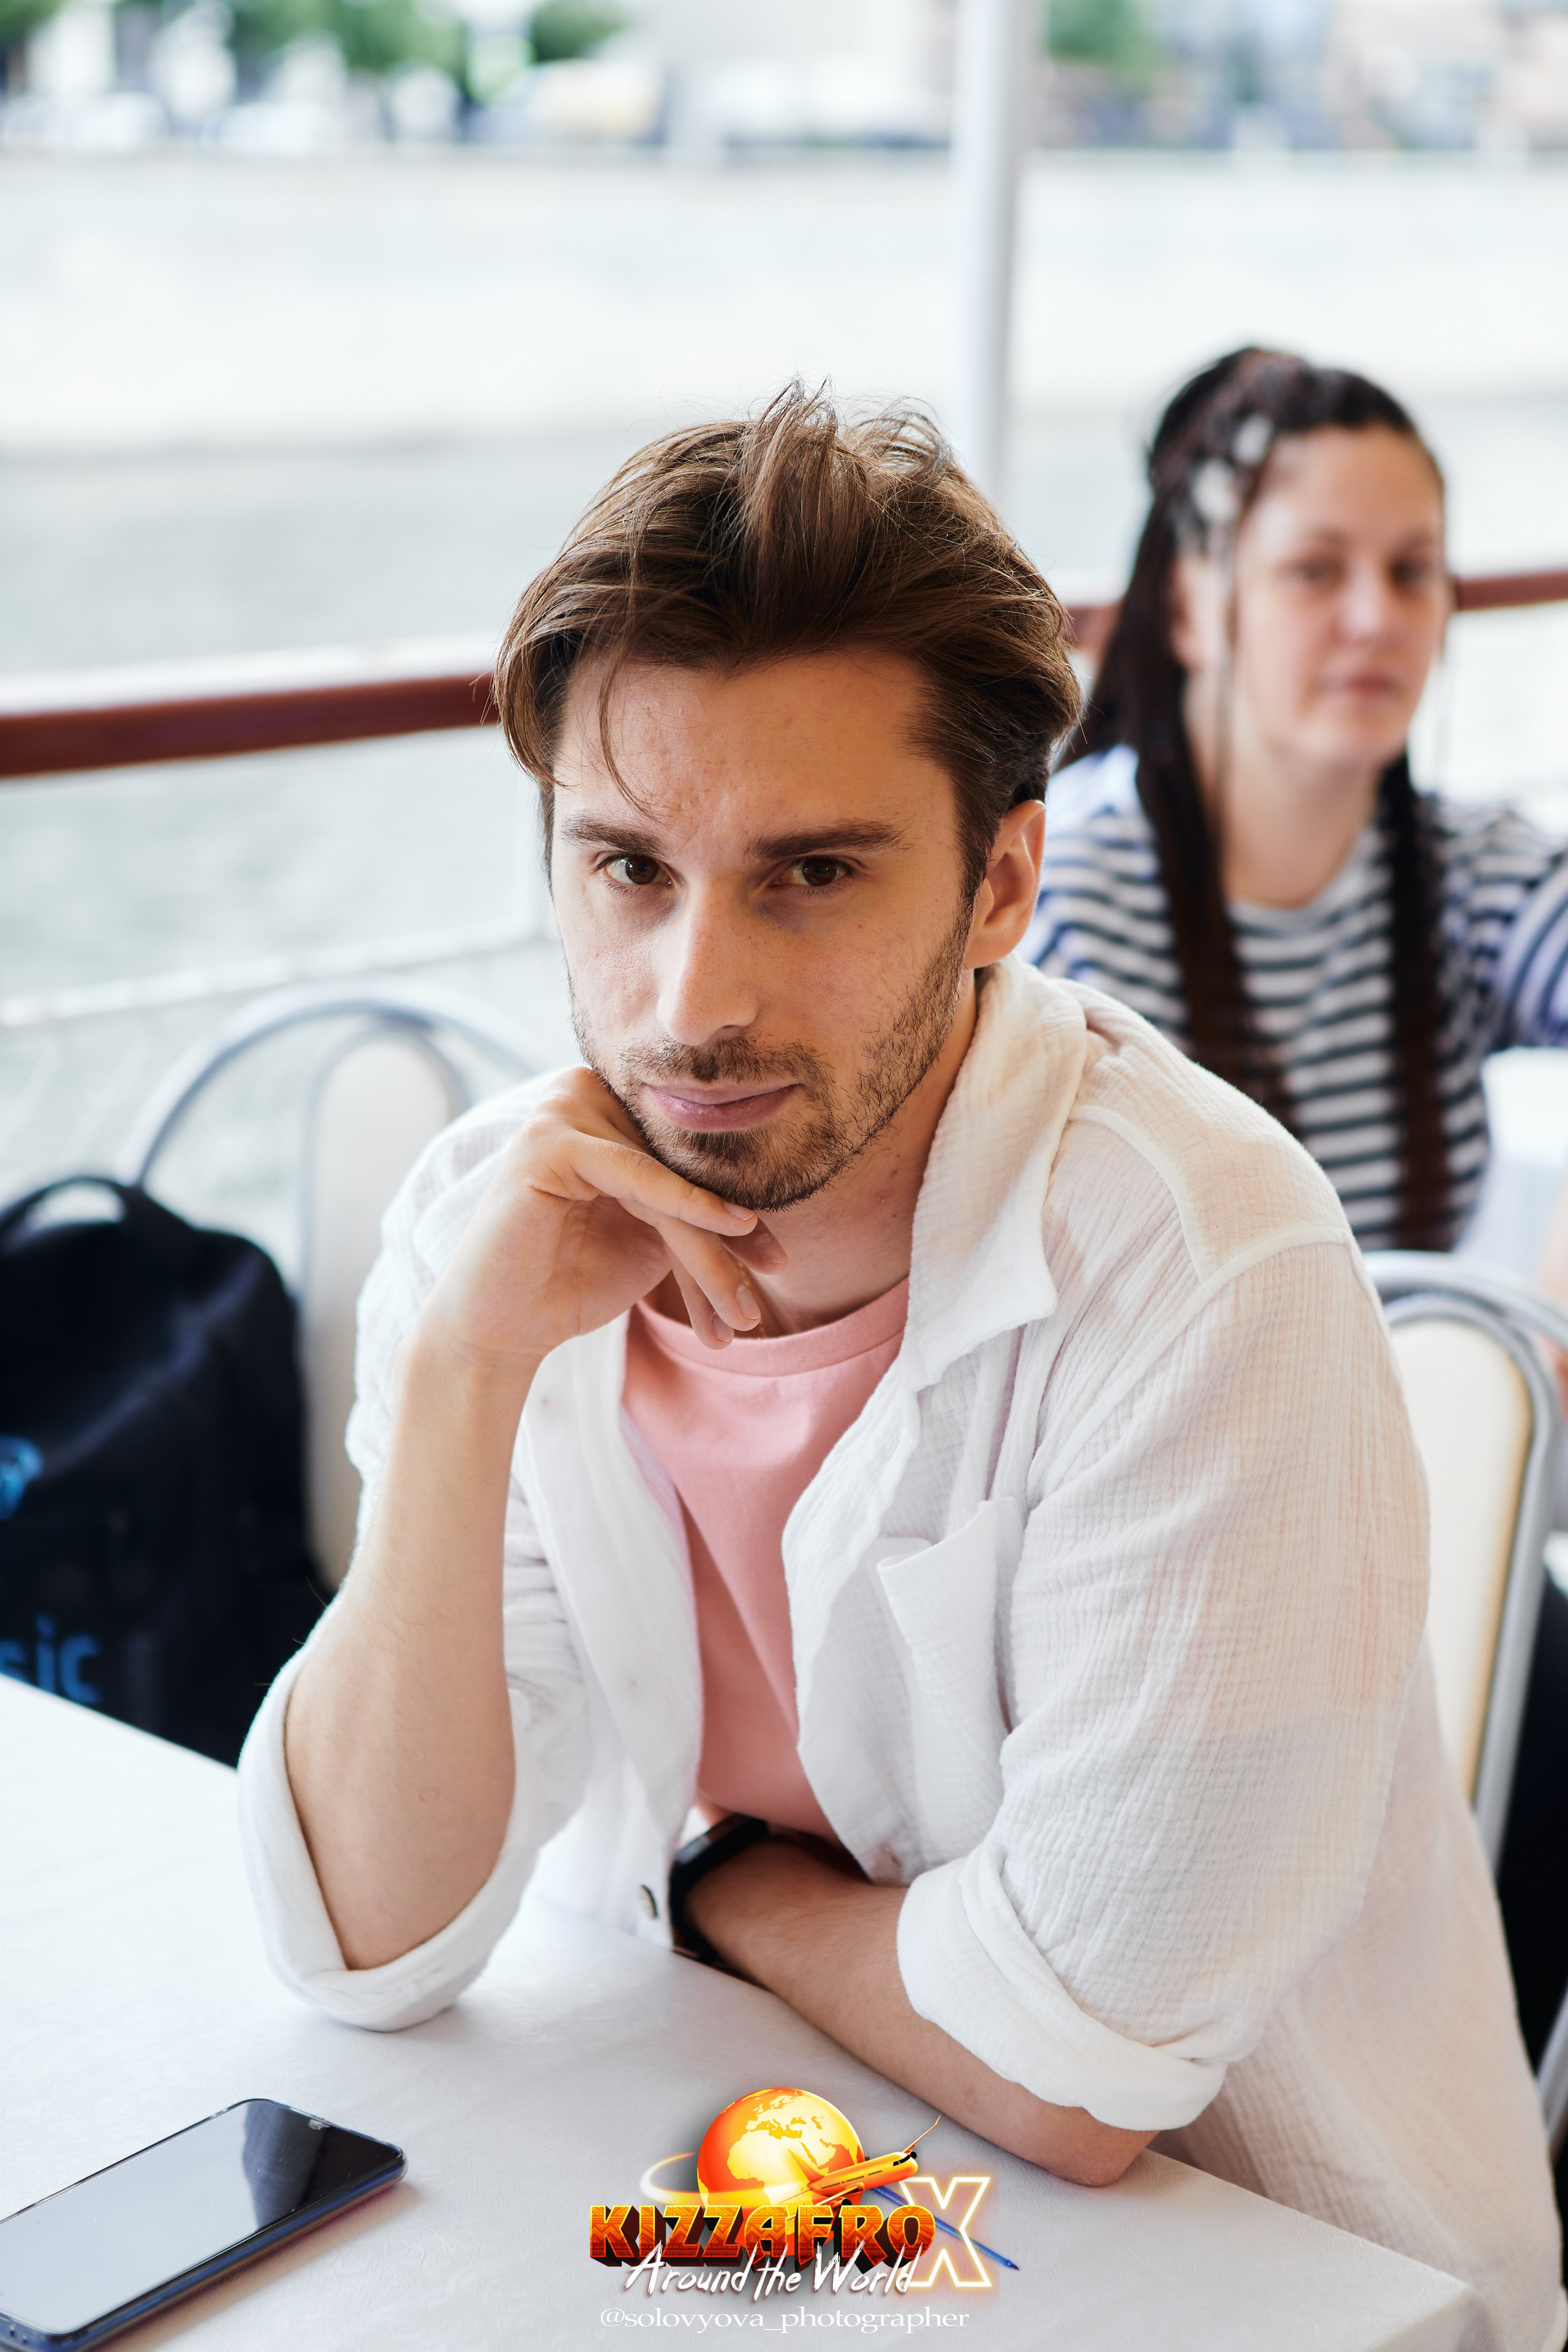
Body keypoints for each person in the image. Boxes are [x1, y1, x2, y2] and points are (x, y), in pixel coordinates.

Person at [238, 388, 1562, 2350]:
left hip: (1279, 2284)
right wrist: (460, 1371)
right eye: (625, 869)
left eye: (813, 874)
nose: (691, 1003)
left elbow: (1073, 2074)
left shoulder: (1204, 1268)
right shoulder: (496, 1230)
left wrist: (718, 1888)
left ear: (1005, 886)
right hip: (786, 2214)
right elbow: (362, 1944)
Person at [1025, 344, 1568, 2088]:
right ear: (1196, 604)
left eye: (1415, 573)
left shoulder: (1468, 874)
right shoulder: (1078, 886)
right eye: (1316, 570)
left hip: (1408, 1525)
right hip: (1143, 1538)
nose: (1376, 618)